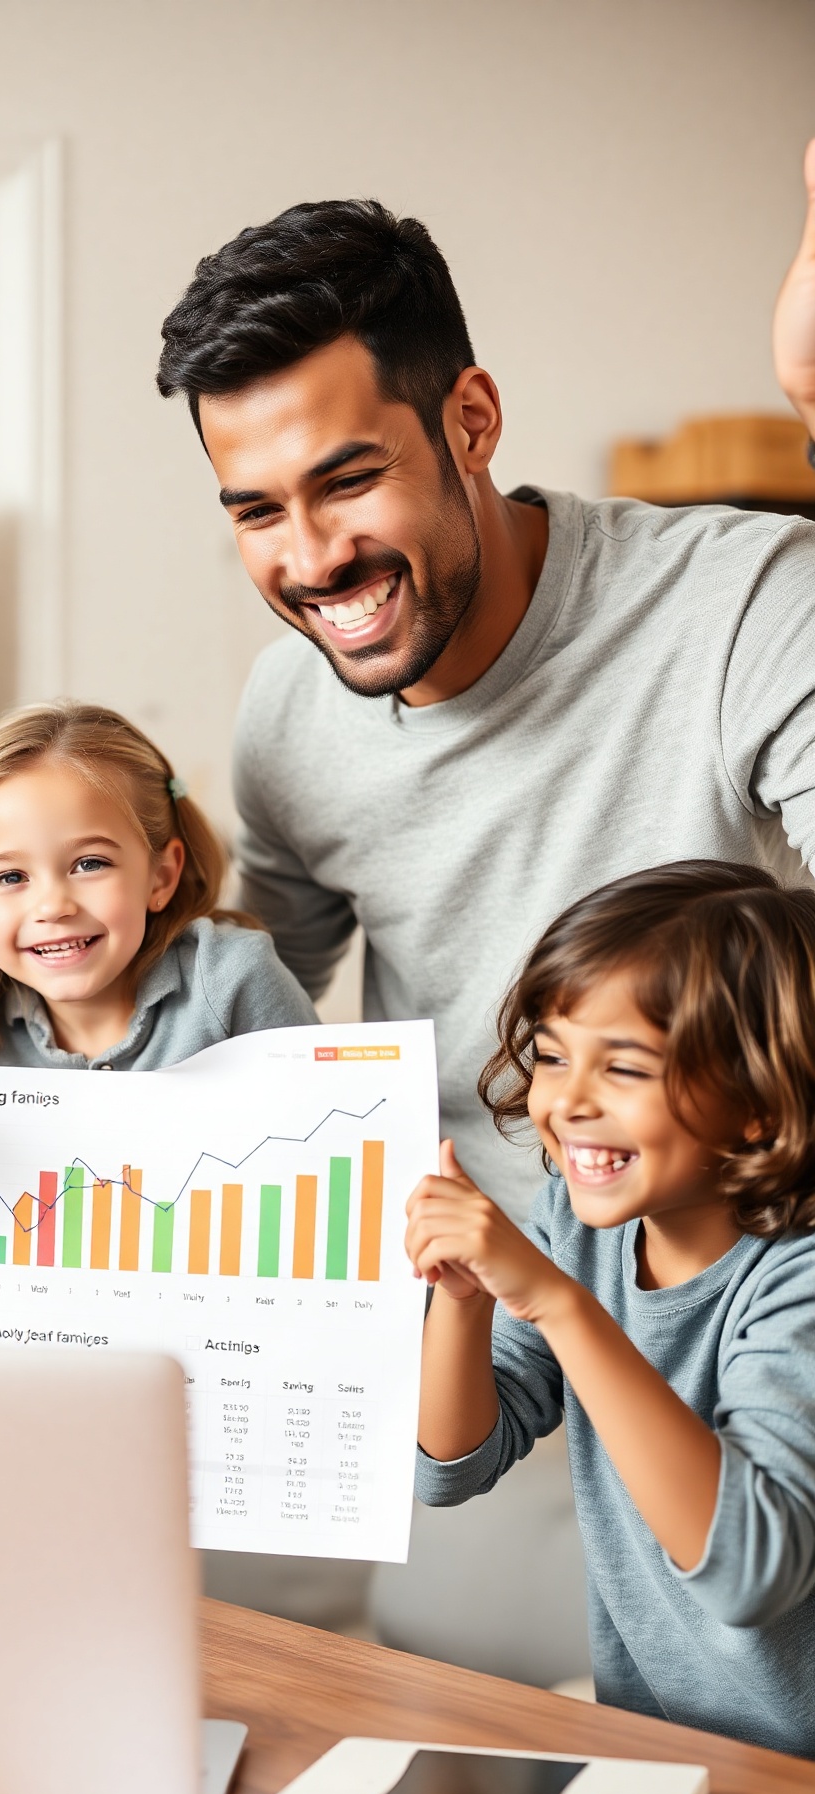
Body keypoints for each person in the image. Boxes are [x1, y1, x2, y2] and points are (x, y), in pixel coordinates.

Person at [153, 194, 815, 1229]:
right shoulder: (286, 708)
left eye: (350, 479)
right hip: (447, 1304)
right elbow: (239, 1019)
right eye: (257, 510)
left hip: (716, 1299)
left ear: (470, 420)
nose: (312, 557)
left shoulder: (745, 605)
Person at [406, 863, 815, 1758]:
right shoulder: (581, 1227)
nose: (565, 1102)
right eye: (552, 1055)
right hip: (664, 1751)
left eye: (623, 1067)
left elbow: (748, 1569)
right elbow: (447, 1468)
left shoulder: (798, 1282)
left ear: (755, 1104)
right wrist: (466, 1299)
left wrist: (553, 1301)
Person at [0, 702, 315, 1318]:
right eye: (9, 877)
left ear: (161, 876)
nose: (53, 904)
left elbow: (329, 1203)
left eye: (90, 864)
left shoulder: (233, 980)